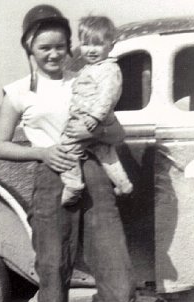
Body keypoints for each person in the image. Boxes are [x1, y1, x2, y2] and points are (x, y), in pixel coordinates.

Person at [0, 5, 151, 302]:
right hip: (50, 181)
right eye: (44, 47)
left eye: (60, 46)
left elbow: (115, 133)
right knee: (53, 274)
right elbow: (0, 146)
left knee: (118, 273)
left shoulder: (87, 78)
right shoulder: (17, 93)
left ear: (70, 47)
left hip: (95, 177)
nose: (53, 54)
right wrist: (41, 151)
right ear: (29, 47)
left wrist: (94, 132)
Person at [60, 16, 133, 206]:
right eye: (85, 44)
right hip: (92, 119)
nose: (91, 50)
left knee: (68, 147)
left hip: (91, 118)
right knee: (106, 154)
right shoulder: (90, 68)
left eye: (98, 44)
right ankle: (123, 184)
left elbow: (108, 95)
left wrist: (95, 116)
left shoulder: (108, 69)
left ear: (111, 45)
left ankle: (73, 183)